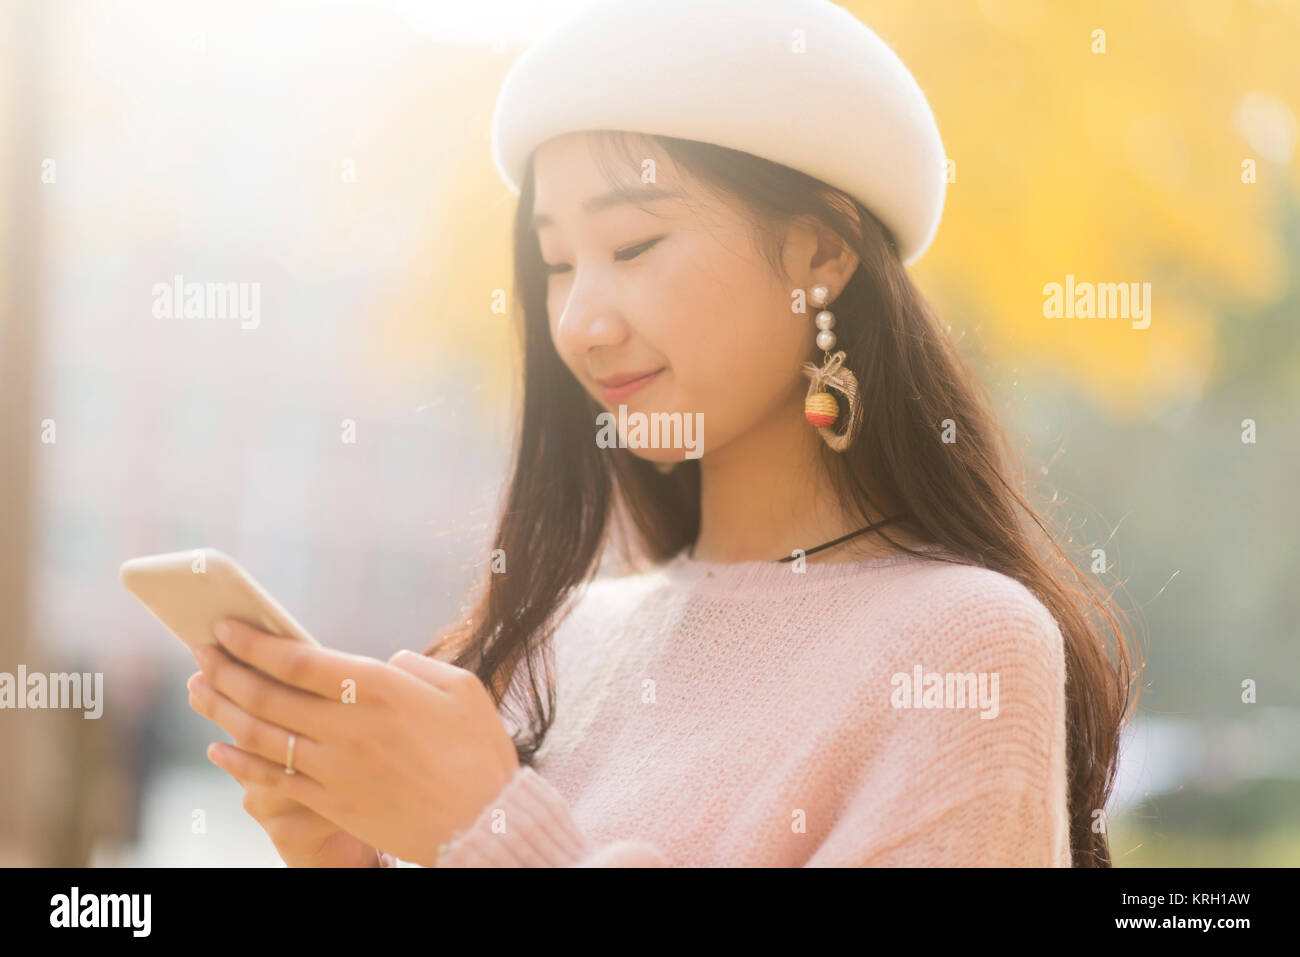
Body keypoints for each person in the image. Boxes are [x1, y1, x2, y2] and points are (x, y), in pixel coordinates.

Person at [187, 0, 1137, 868]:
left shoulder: (961, 645)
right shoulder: (557, 642)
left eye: (633, 245)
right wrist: (345, 859)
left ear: (821, 253)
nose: (580, 322)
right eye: (558, 263)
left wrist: (495, 830)